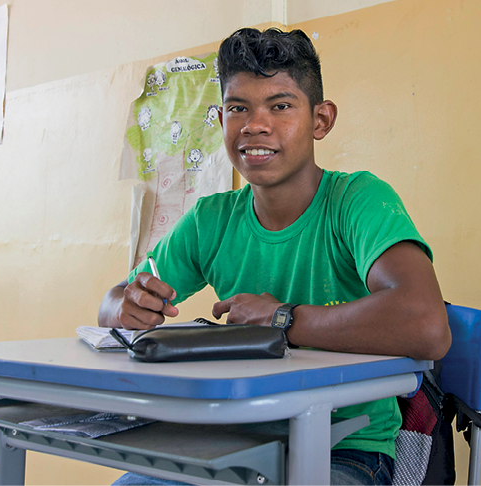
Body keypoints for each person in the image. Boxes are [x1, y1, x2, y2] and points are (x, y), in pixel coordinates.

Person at [98, 27, 451, 486]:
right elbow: (115, 302)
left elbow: (426, 325)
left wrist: (282, 320)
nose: (254, 125)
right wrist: (124, 307)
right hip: (236, 442)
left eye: (280, 106)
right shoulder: (212, 218)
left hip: (345, 450)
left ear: (320, 120)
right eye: (237, 108)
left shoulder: (357, 200)